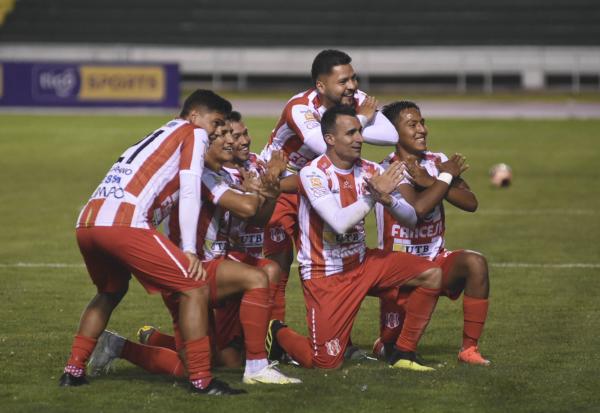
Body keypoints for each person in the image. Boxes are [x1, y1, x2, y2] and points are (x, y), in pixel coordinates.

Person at [60, 90, 246, 395]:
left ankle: (73, 370)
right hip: (124, 222)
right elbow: (188, 190)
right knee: (194, 287)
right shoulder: (193, 132)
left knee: (110, 291)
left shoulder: (160, 132)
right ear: (195, 115)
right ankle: (201, 380)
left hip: (89, 219)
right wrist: (188, 250)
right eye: (215, 123)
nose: (216, 131)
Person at [88, 119, 300, 385]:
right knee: (261, 276)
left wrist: (266, 189)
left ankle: (133, 343)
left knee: (225, 358)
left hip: (219, 265)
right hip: (191, 271)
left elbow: (259, 218)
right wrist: (269, 181)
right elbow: (247, 208)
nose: (238, 140)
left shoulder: (238, 168)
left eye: (242, 134)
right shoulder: (200, 173)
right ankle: (257, 365)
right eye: (227, 135)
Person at [265, 105, 450, 371]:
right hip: (326, 274)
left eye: (360, 132)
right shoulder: (312, 173)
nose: (360, 139)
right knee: (325, 363)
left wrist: (389, 200)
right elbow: (339, 223)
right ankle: (278, 333)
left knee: (432, 274)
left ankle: (403, 352)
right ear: (330, 139)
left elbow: (410, 218)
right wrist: (373, 196)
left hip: (363, 264)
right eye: (351, 133)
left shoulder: (370, 169)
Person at [260, 49, 399, 322]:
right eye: (343, 81)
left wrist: (355, 123)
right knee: (278, 261)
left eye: (353, 78)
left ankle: (332, 333)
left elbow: (391, 133)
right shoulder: (300, 107)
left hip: (319, 180)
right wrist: (360, 120)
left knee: (333, 256)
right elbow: (323, 143)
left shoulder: (353, 99)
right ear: (321, 86)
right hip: (282, 181)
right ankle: (272, 336)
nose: (353, 86)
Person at [373, 100, 491, 366]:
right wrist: (443, 179)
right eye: (412, 124)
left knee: (475, 262)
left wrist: (433, 180)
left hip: (436, 259)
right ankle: (385, 341)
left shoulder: (437, 161)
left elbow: (471, 203)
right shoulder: (386, 169)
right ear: (393, 133)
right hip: (399, 270)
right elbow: (418, 211)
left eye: (422, 122)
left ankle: (469, 349)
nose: (422, 130)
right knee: (390, 348)